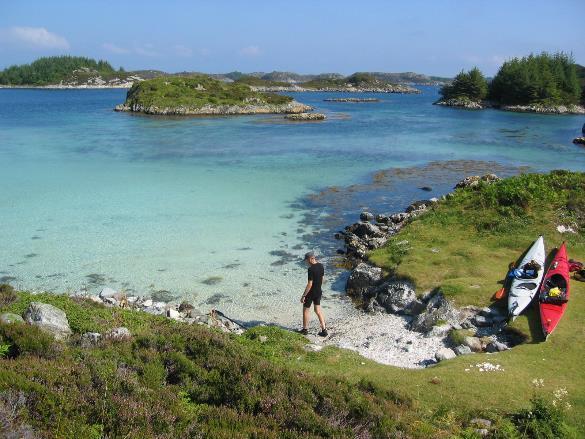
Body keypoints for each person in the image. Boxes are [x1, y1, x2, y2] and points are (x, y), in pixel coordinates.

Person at [299, 252, 327, 337]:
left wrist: (303, 295)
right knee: (318, 311)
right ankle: (324, 330)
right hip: (318, 291)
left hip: (311, 293)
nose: (306, 262)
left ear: (311, 258)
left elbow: (310, 284)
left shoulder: (310, 269)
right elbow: (322, 279)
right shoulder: (321, 266)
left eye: (307, 260)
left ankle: (305, 330)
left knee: (305, 310)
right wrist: (318, 288)